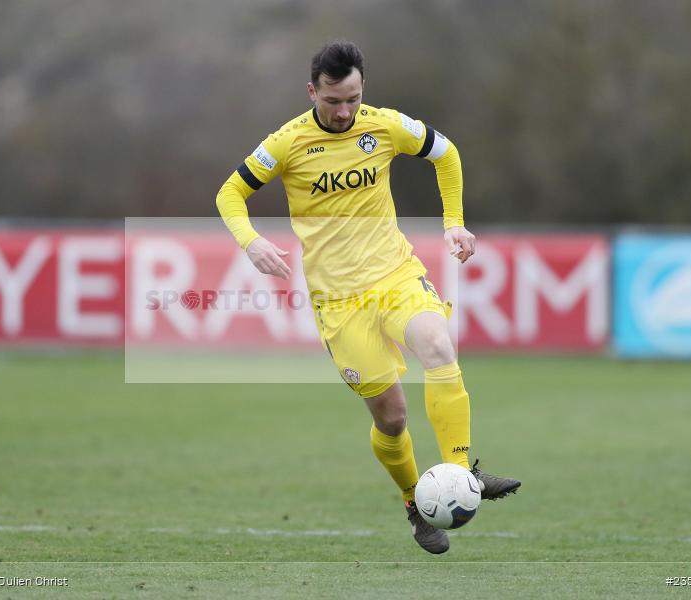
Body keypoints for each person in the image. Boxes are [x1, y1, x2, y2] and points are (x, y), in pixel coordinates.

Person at [216, 40, 519, 554]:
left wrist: (454, 222)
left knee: (438, 345)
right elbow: (230, 192)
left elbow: (445, 153)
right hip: (338, 301)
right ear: (312, 91)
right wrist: (251, 241)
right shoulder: (286, 143)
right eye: (333, 100)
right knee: (392, 418)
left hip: (394, 274)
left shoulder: (385, 125)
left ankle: (462, 471)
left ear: (363, 90)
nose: (344, 111)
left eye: (353, 99)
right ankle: (415, 505)